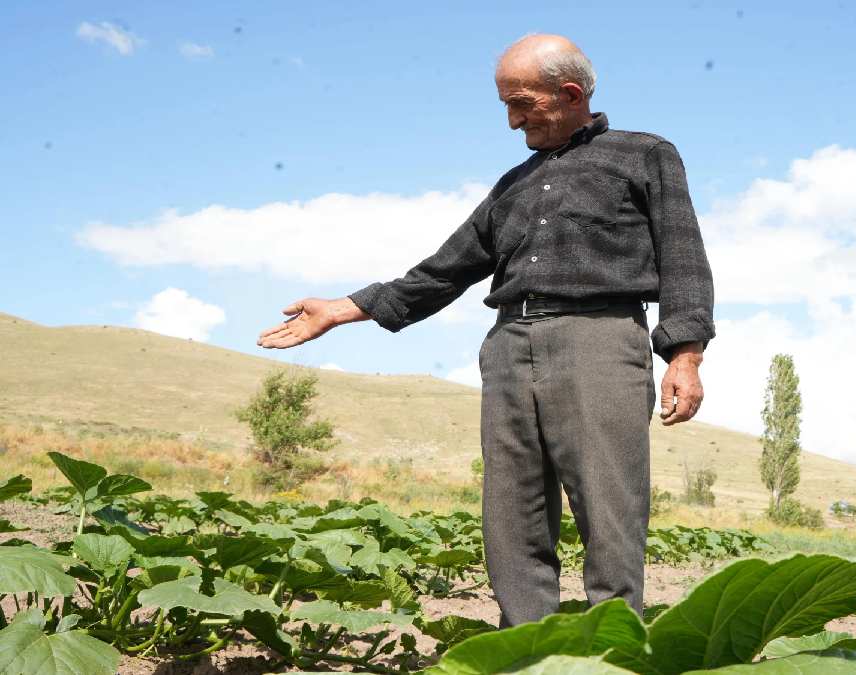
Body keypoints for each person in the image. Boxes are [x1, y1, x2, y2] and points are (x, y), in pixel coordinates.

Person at [256, 34, 715, 627]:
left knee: (609, 503)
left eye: (521, 103)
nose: (511, 120)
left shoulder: (644, 154)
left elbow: (683, 255)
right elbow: (445, 269)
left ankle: (613, 647)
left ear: (569, 93)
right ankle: (523, 646)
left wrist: (685, 354)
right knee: (512, 508)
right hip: (507, 346)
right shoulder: (513, 184)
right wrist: (345, 308)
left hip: (598, 339)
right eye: (506, 104)